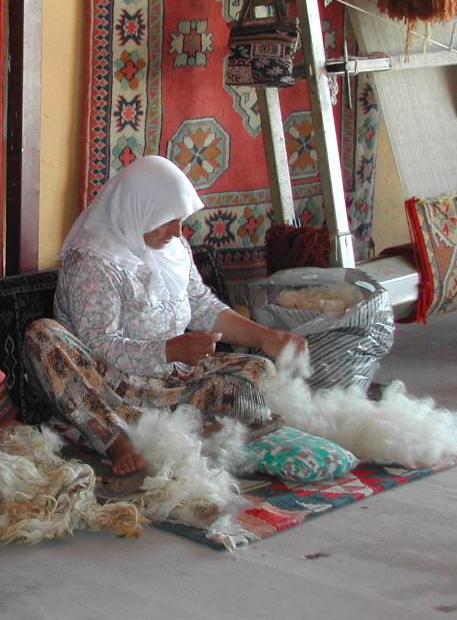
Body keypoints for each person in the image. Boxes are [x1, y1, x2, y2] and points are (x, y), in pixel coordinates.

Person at [23, 156, 307, 475]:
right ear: (138, 209)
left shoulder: (174, 249)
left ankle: (167, 431)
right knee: (43, 336)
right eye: (167, 220)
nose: (176, 231)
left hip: (169, 383)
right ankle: (115, 440)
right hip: (108, 387)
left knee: (258, 371)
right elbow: (98, 345)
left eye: (179, 220)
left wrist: (267, 337)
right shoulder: (94, 260)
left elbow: (201, 305)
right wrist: (168, 350)